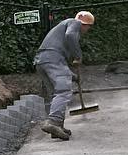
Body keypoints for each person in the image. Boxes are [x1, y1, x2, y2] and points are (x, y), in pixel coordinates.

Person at [34, 10, 95, 140]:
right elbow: (70, 36)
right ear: (86, 25)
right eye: (88, 27)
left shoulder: (62, 28)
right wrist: (78, 55)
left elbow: (59, 67)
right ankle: (53, 122)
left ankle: (57, 127)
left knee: (55, 94)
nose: (86, 30)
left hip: (42, 61)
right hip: (53, 58)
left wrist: (73, 76)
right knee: (63, 91)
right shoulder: (74, 23)